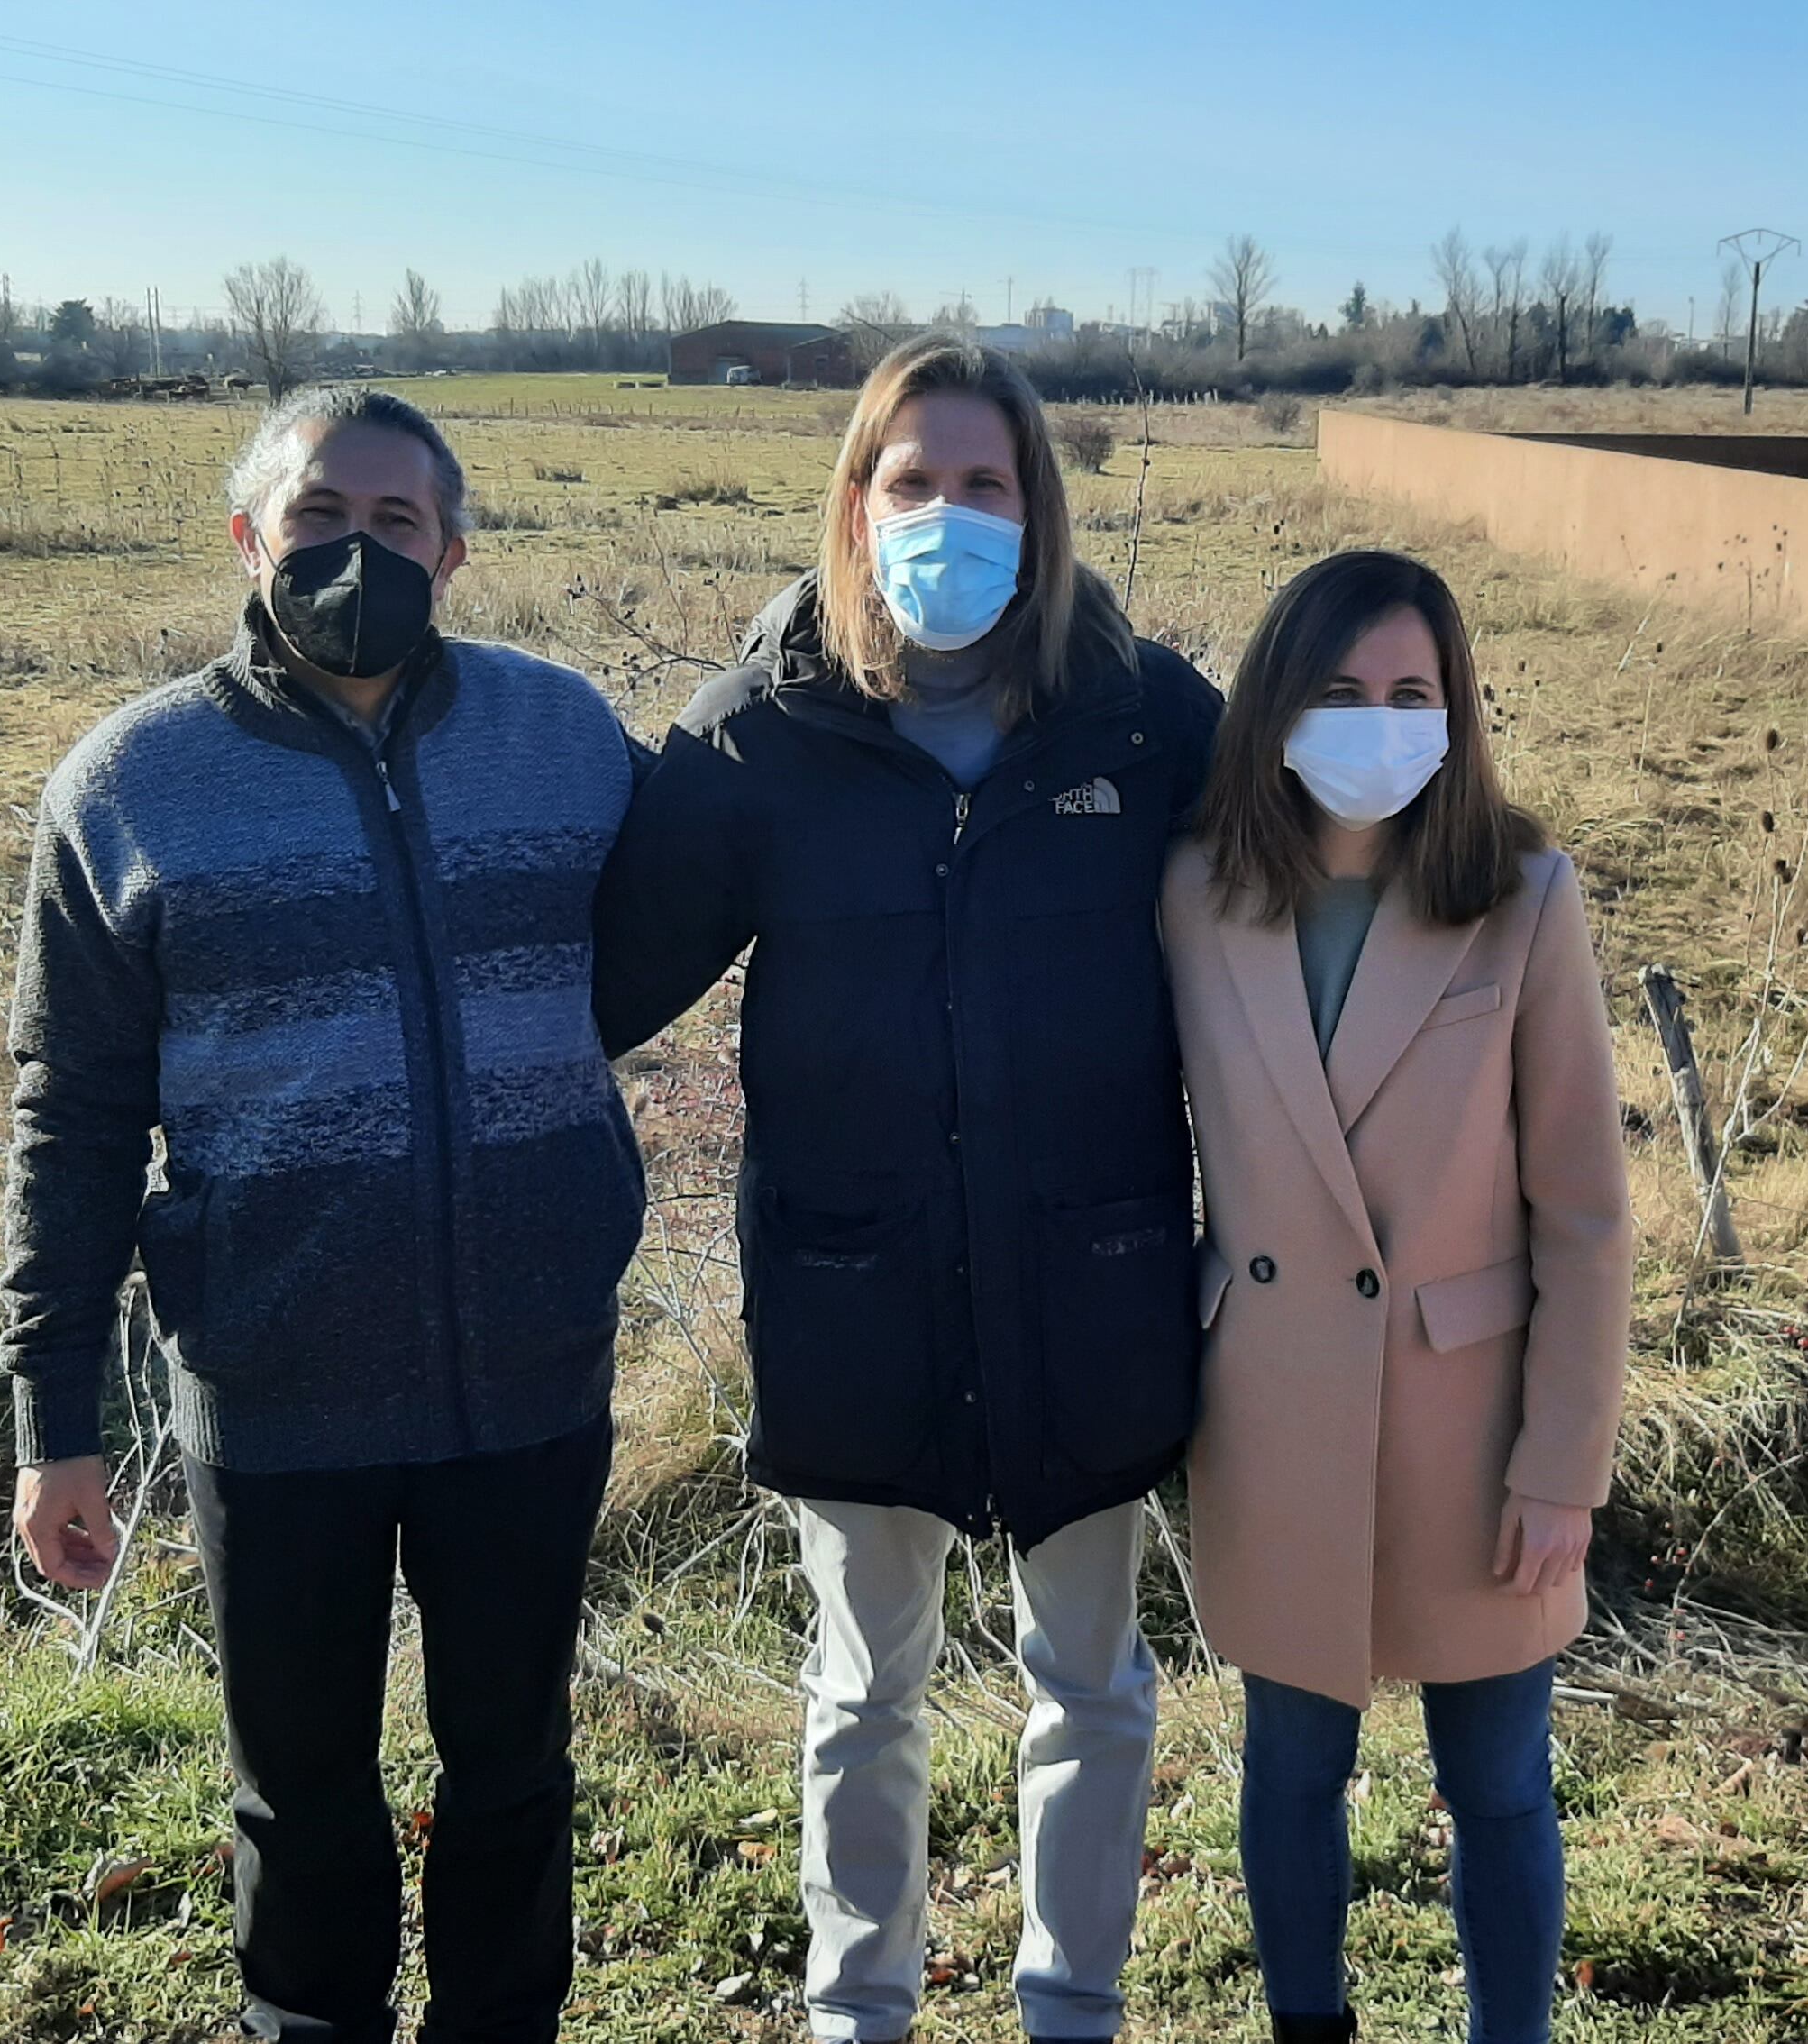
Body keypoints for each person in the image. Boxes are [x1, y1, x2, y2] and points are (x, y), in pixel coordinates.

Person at [593, 333, 1220, 2044]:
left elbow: (1305, 911)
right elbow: (593, 985)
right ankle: (857, 2006)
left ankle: (1068, 2005)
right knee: (864, 1687)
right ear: (856, 506)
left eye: (986, 482)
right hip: (852, 1284)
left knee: (1087, 1685)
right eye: (914, 481)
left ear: (1041, 506)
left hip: (1088, 1282)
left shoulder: (1143, 716)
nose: (950, 512)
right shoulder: (763, 739)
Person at [0, 385, 645, 2044]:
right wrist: (49, 1419)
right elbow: (69, 1123)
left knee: (513, 1774)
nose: (359, 553)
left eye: (398, 524)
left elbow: (723, 874)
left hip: (528, 1380)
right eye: (318, 520)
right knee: (300, 1803)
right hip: (279, 1394)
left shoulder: (563, 737)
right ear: (248, 537)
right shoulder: (131, 786)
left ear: (456, 548)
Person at [1161, 550, 1635, 2044]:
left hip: (1471, 1426)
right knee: (1289, 1772)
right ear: (1277, 710)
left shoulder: (1520, 898)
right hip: (1274, 1409)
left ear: (1457, 711)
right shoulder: (1195, 897)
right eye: (1342, 692)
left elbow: (1586, 1210)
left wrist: (1565, 1465)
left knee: (1498, 1780)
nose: (1378, 722)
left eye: (1411, 693)